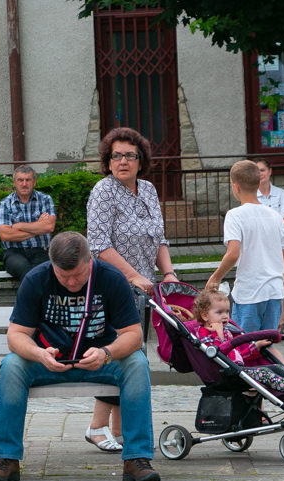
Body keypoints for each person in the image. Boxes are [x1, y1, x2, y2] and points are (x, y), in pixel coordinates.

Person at [0, 232, 160, 481]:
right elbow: (16, 335)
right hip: (49, 360)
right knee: (11, 366)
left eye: (78, 274)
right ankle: (6, 458)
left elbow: (133, 335)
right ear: (51, 264)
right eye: (63, 276)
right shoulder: (36, 278)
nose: (71, 282)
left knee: (137, 364)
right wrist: (38, 353)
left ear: (90, 260)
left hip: (99, 360)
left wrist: (106, 353)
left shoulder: (111, 279)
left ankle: (137, 458)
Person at [84, 127, 178, 453]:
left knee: (134, 356)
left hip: (146, 288)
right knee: (118, 354)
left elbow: (159, 238)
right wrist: (134, 275)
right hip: (112, 287)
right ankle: (96, 426)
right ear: (108, 162)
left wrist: (168, 273)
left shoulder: (149, 190)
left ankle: (119, 429)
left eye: (130, 155)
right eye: (116, 156)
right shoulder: (103, 192)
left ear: (141, 161)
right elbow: (99, 246)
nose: (123, 161)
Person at [190, 290, 284, 401]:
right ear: (205, 316)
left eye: (227, 311)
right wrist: (219, 334)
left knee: (278, 368)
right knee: (265, 373)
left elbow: (237, 355)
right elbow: (215, 354)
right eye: (219, 312)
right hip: (226, 375)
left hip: (238, 369)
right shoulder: (202, 333)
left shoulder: (227, 332)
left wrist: (254, 347)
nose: (225, 316)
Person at [205, 160, 284, 334]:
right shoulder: (275, 216)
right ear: (259, 183)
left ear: (235, 187)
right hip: (274, 292)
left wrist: (215, 278)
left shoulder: (234, 216)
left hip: (249, 293)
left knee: (244, 345)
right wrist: (280, 285)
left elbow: (233, 253)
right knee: (266, 345)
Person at [0, 165, 56, 281]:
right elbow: (5, 235)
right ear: (14, 183)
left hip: (41, 251)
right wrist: (37, 227)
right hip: (14, 253)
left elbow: (49, 226)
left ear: (34, 182)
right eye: (20, 180)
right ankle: (35, 299)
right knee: (25, 269)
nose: (24, 184)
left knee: (46, 270)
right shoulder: (5, 204)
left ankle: (30, 299)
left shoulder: (45, 200)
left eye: (28, 180)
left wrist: (20, 226)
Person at [254, 157, 284, 338]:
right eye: (257, 171)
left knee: (278, 282)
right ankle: (267, 326)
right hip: (260, 245)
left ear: (269, 172)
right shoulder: (251, 195)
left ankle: (280, 323)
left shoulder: (280, 194)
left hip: (277, 243)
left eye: (262, 170)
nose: (260, 174)